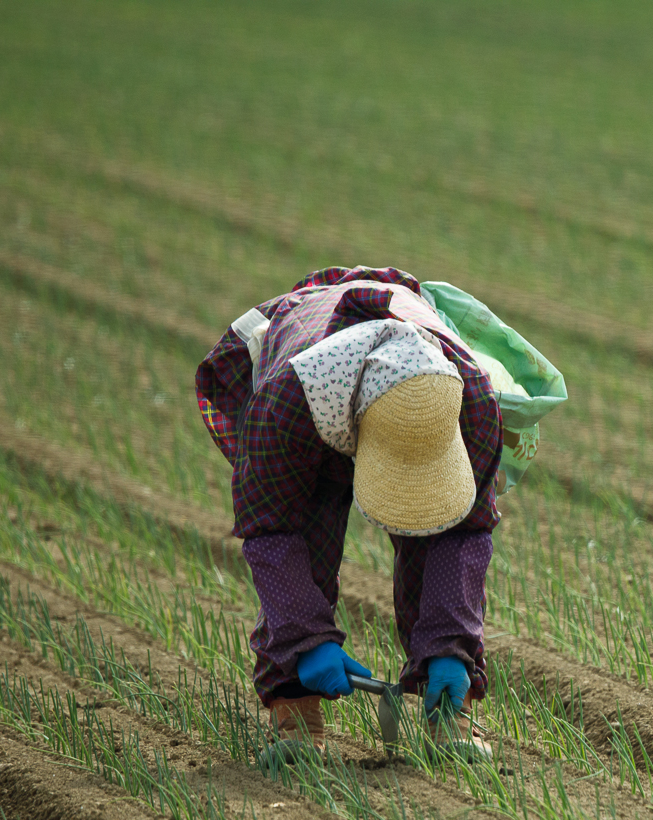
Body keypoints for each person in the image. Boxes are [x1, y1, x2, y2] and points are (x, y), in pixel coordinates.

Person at [195, 266, 499, 762]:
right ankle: (295, 715)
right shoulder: (282, 407)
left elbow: (466, 534)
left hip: (404, 389)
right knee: (306, 546)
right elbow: (272, 532)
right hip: (312, 403)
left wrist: (452, 648)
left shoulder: (476, 403)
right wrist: (304, 639)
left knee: (442, 533)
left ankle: (452, 707)